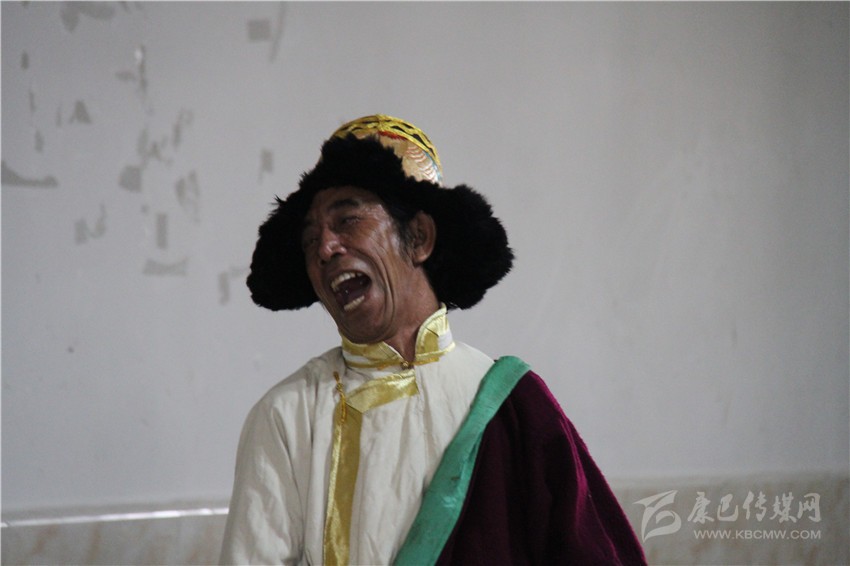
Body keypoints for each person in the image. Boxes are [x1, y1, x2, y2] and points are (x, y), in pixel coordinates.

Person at [220, 115, 646, 565]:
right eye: (310, 241)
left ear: (419, 238)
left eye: (348, 220)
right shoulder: (285, 417)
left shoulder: (513, 406)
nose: (325, 249)